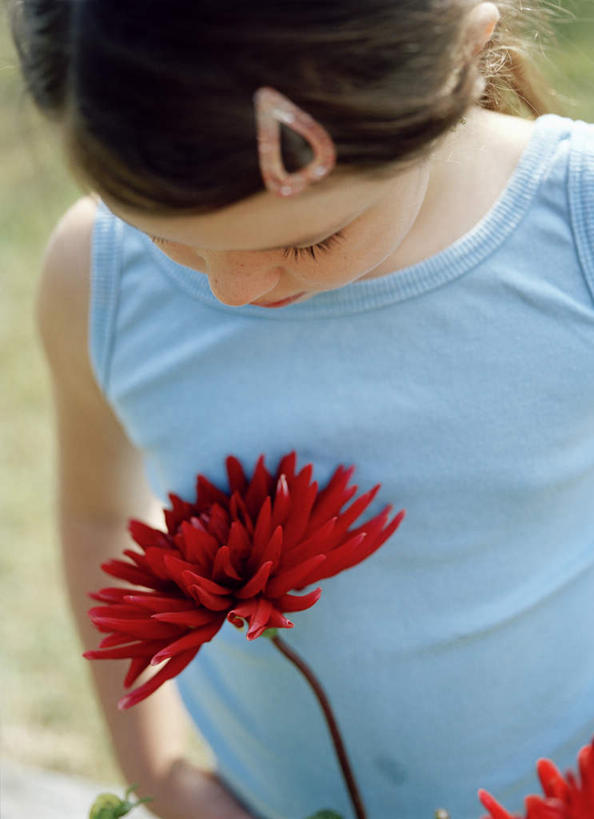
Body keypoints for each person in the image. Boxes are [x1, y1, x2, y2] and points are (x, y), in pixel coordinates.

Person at [10, 0, 594, 817]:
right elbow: (97, 516)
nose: (234, 290)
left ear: (464, 54)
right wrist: (163, 774)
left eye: (312, 242)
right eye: (166, 234)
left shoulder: (577, 227)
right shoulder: (97, 279)